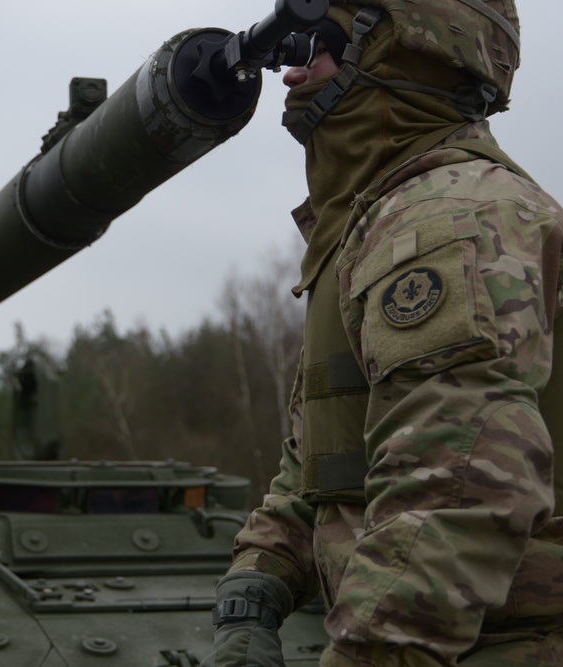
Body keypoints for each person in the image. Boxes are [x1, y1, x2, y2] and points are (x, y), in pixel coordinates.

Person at [205, 1, 563, 665]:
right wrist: (253, 591)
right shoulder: (373, 228)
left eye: (315, 44)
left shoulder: (453, 220)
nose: (291, 74)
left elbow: (454, 500)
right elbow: (320, 463)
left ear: (402, 47)